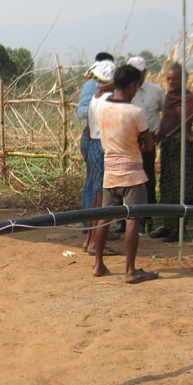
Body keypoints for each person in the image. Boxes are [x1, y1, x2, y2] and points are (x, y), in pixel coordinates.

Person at [91, 65, 157, 284]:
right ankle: (130, 270)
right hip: (133, 174)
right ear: (132, 85)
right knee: (132, 219)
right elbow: (148, 144)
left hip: (110, 172)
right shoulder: (134, 112)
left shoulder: (101, 108)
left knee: (103, 219)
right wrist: (138, 142)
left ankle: (98, 264)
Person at [150, 63, 193, 242]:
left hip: (182, 146)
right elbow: (167, 121)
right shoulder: (168, 97)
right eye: (168, 79)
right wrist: (160, 135)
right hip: (167, 145)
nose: (171, 82)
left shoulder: (190, 99)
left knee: (181, 186)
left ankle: (179, 229)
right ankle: (168, 225)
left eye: (174, 79)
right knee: (167, 185)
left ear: (183, 79)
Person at [121, 55, 165, 234]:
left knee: (146, 180)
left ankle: (146, 219)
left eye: (139, 73)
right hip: (127, 144)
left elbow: (166, 112)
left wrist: (158, 133)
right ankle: (124, 219)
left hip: (146, 144)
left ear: (145, 73)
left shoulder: (156, 91)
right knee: (125, 181)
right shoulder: (122, 93)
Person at [81, 59, 116, 254]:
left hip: (94, 144)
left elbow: (88, 129)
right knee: (103, 198)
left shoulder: (94, 98)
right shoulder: (110, 100)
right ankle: (95, 243)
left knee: (97, 195)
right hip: (104, 146)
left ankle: (89, 239)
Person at [76, 52, 114, 218]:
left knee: (93, 183)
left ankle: (90, 226)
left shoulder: (101, 89)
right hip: (95, 138)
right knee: (95, 186)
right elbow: (81, 110)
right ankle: (92, 226)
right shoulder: (93, 86)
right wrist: (101, 113)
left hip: (97, 136)